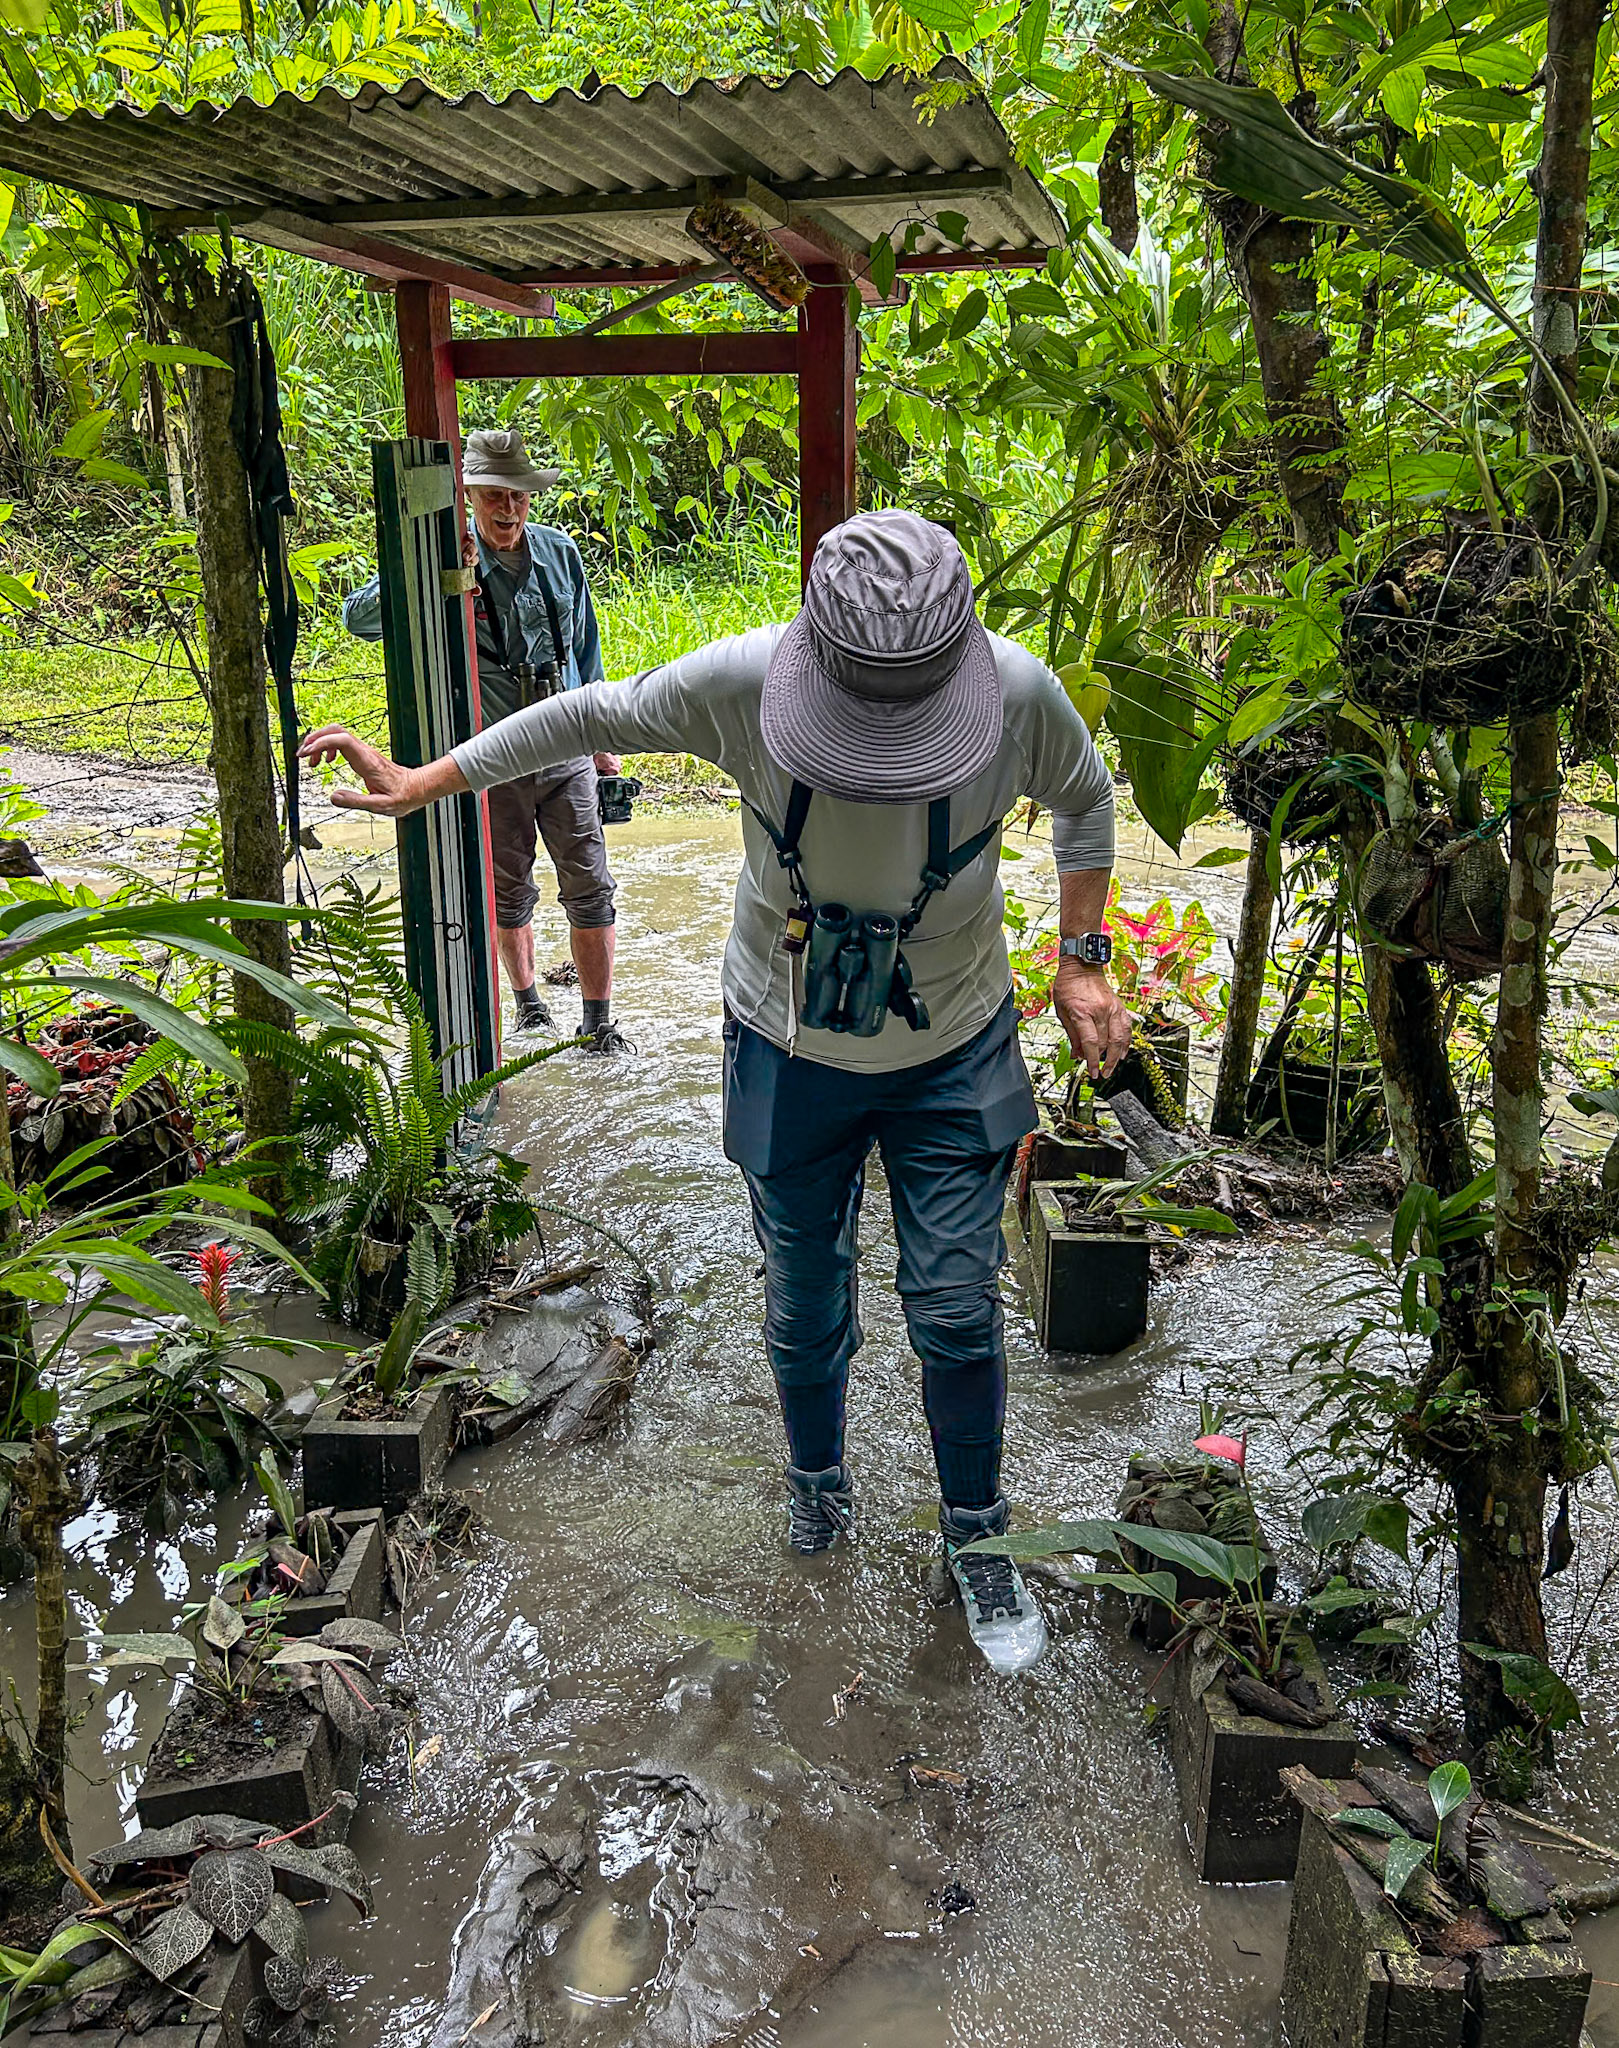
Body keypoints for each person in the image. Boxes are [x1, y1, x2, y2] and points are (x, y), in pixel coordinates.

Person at [304, 510, 1130, 1675]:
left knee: (954, 1301)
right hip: (785, 1040)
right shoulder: (743, 681)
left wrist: (1082, 951)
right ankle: (815, 1484)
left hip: (952, 1042)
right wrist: (424, 777)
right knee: (802, 1296)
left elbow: (1088, 800)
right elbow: (586, 713)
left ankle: (977, 1531)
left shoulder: (1019, 693)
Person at [342, 426, 630, 1053]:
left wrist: (604, 739)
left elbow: (587, 649)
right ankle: (528, 1006)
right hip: (493, 755)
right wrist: (435, 567)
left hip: (569, 744)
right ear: (470, 494)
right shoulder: (448, 557)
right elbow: (359, 618)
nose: (508, 509)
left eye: (519, 496)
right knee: (508, 886)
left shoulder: (561, 554)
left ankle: (598, 1022)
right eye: (494, 495)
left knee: (591, 883)